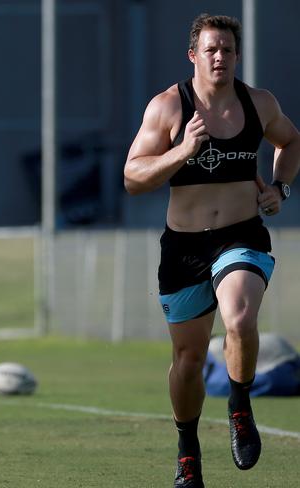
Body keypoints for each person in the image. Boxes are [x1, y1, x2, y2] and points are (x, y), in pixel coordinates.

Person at [124, 13, 300, 488]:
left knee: (240, 319)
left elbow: (291, 141)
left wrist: (280, 188)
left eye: (227, 49)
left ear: (237, 55)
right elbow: (132, 176)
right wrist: (182, 151)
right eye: (211, 49)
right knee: (188, 360)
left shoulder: (259, 103)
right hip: (183, 247)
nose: (220, 56)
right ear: (193, 55)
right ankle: (187, 451)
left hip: (241, 235)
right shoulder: (168, 107)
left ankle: (239, 405)